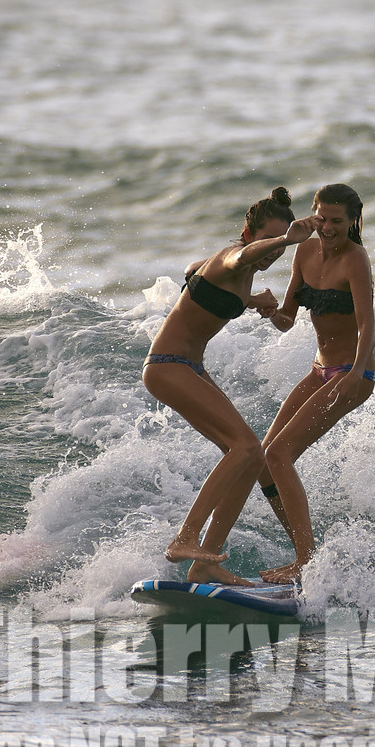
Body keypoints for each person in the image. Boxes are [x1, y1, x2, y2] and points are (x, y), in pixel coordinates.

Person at [143, 187, 320, 585]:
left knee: (251, 457)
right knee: (247, 446)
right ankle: (185, 538)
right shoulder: (233, 257)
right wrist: (289, 239)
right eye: (269, 240)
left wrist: (252, 301)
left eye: (281, 245)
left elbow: (194, 269)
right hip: (168, 365)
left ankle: (206, 562)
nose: (275, 251)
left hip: (189, 367)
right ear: (249, 233)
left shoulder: (236, 273)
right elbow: (240, 257)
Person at [254, 183, 375, 583]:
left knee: (279, 455)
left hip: (352, 373)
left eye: (337, 221)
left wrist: (356, 373)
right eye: (321, 218)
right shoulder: (304, 253)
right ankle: (305, 555)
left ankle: (305, 563)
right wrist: (269, 310)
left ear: (352, 221)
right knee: (262, 461)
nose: (327, 227)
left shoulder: (355, 259)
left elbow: (367, 325)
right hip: (319, 370)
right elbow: (287, 320)